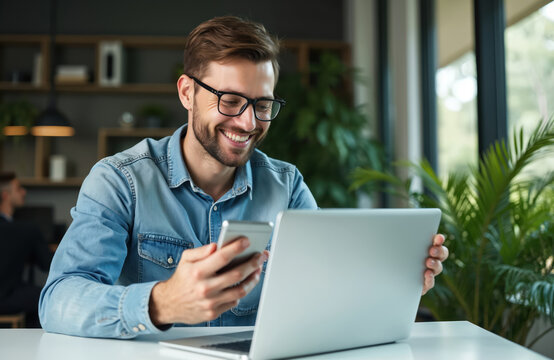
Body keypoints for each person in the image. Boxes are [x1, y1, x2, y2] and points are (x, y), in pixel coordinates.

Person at [39, 16, 448, 338]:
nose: (248, 122)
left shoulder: (286, 187)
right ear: (186, 93)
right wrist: (162, 303)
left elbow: (324, 299)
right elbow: (58, 301)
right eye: (230, 101)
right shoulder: (118, 181)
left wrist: (395, 287)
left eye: (262, 105)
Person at [0, 172, 52, 327]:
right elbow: (47, 264)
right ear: (5, 195)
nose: (24, 192)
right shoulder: (26, 230)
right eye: (18, 188)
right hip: (5, 298)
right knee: (45, 297)